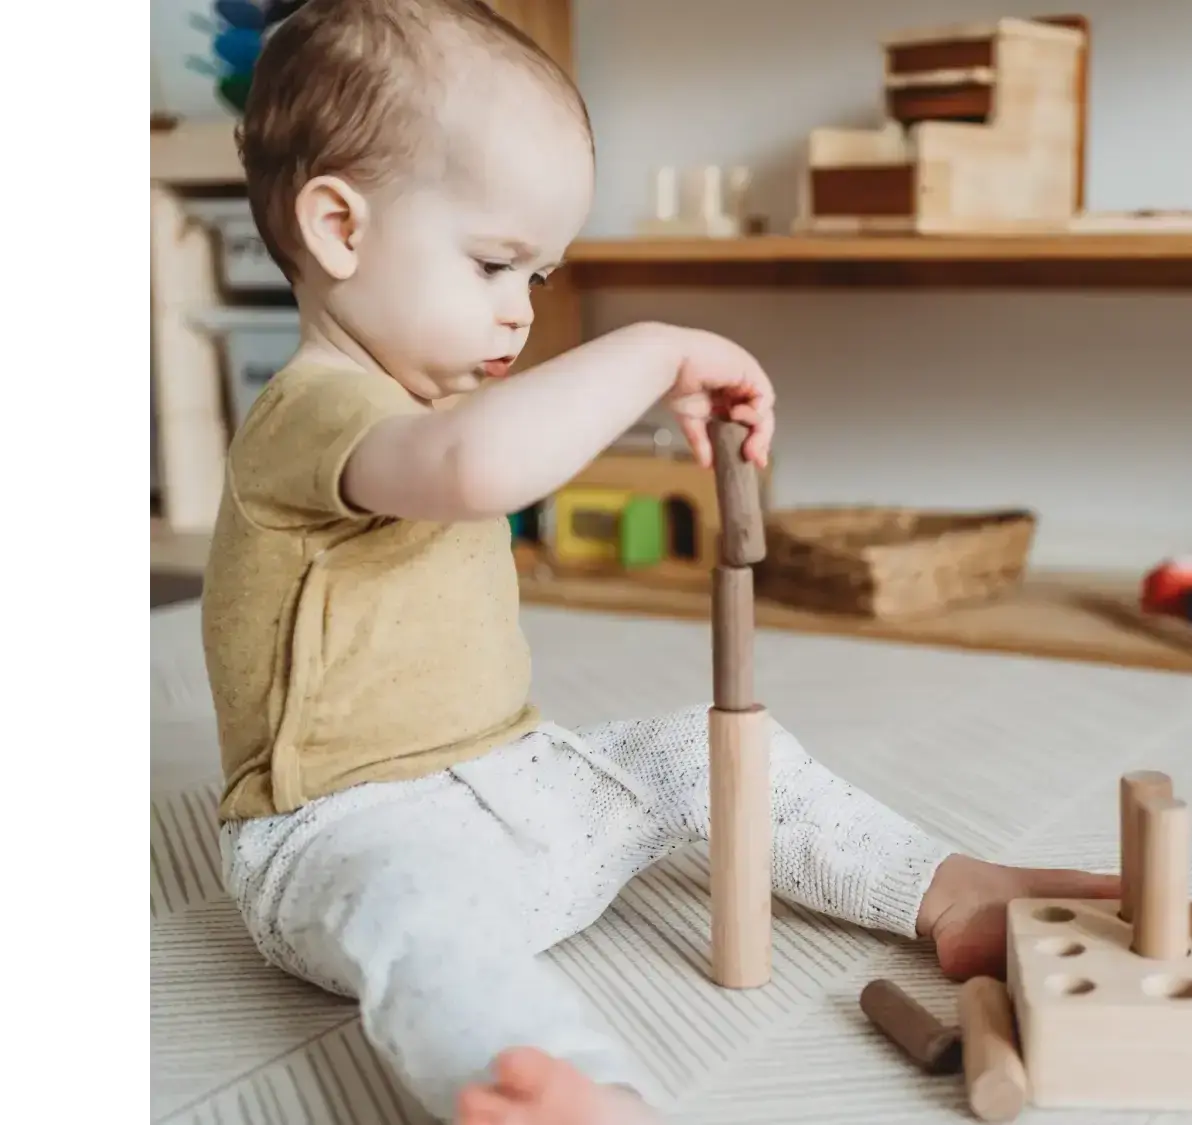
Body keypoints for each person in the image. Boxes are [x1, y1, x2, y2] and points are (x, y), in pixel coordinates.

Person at [201, 2, 1119, 1122]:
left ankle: (940, 889)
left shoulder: (429, 399)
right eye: (495, 264)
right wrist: (652, 347)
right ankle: (579, 1093)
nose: (520, 316)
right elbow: (478, 468)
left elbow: (499, 445)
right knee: (426, 926)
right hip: (343, 835)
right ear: (339, 228)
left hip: (515, 782)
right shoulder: (312, 412)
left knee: (706, 752)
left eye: (541, 278)